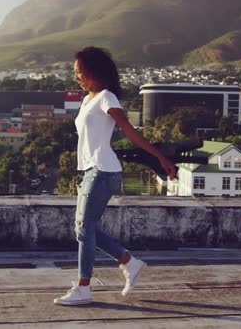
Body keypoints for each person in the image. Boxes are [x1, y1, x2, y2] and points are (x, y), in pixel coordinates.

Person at [54, 47, 176, 306]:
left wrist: (160, 158)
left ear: (94, 71)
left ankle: (84, 287)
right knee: (84, 229)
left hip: (103, 170)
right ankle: (129, 263)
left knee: (84, 230)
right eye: (75, 72)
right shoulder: (88, 99)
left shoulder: (106, 97)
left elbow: (128, 129)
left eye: (80, 72)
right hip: (91, 170)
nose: (77, 77)